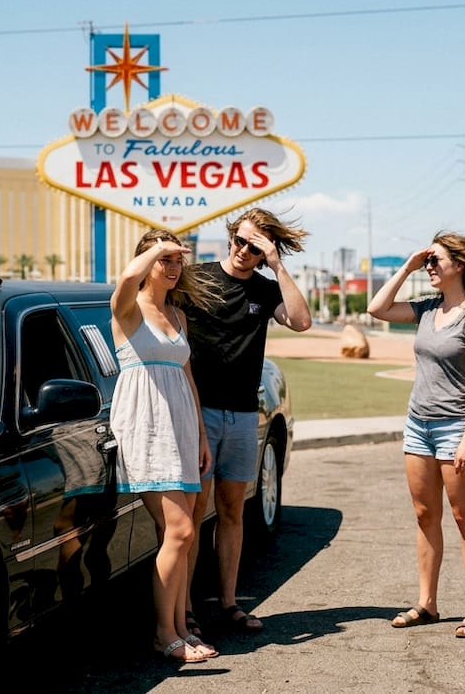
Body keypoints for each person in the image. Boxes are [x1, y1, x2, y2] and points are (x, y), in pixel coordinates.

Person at [367, 231, 465, 638]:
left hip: (455, 427)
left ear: (459, 265)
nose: (429, 266)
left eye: (435, 260)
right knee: (425, 514)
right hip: (418, 424)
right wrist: (406, 267)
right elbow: (377, 308)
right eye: (427, 261)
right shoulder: (428, 309)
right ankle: (427, 603)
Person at [183, 207, 312, 636]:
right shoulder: (196, 278)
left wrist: (276, 266)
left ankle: (229, 604)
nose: (243, 250)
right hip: (198, 414)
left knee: (233, 510)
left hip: (241, 415)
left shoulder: (264, 287)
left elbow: (301, 322)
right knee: (194, 512)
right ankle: (184, 611)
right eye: (239, 240)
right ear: (229, 237)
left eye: (254, 246)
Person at [109, 229, 219, 663]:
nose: (173, 268)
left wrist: (202, 435)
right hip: (146, 427)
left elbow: (187, 377)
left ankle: (178, 630)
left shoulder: (179, 315)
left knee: (178, 535)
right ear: (147, 260)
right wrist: (158, 246)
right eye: (165, 260)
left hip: (182, 429)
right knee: (181, 530)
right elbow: (124, 280)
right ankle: (163, 633)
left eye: (178, 261)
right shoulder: (128, 308)